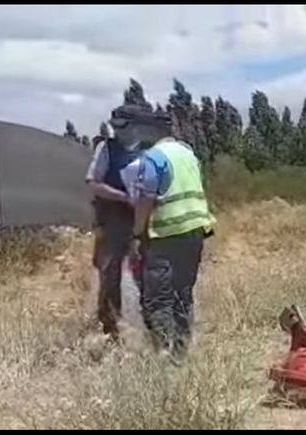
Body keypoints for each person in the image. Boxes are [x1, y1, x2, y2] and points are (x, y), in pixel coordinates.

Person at [127, 111, 215, 365]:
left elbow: (145, 200)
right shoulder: (188, 153)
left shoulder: (153, 158)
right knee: (183, 293)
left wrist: (136, 233)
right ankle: (183, 351)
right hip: (195, 230)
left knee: (158, 298)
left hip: (165, 236)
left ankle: (167, 357)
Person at [85, 104, 145, 340]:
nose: (117, 131)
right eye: (115, 126)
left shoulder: (149, 149)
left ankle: (148, 325)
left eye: (122, 126)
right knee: (110, 274)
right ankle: (111, 328)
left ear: (136, 126)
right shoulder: (106, 148)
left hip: (142, 217)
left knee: (146, 272)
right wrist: (123, 196)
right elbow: (94, 183)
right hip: (112, 219)